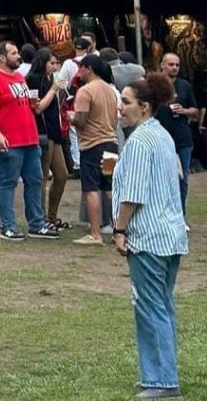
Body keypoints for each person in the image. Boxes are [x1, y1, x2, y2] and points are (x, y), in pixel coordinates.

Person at [113, 75, 188, 399]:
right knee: (162, 305)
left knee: (150, 307)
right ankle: (160, 374)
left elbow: (133, 194)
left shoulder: (140, 141)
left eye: (126, 102)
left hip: (149, 236)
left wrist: (119, 229)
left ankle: (162, 380)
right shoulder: (162, 135)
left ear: (144, 107)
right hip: (171, 234)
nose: (120, 107)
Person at [0, 42, 59, 242]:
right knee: (8, 182)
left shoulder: (19, 77)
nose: (18, 56)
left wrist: (33, 104)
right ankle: (8, 226)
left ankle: (36, 224)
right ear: (2, 58)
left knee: (35, 180)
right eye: (13, 53)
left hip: (29, 139)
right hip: (9, 141)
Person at [72, 54, 120, 245]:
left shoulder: (85, 91)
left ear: (88, 69)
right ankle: (118, 230)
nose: (79, 72)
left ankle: (95, 233)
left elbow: (81, 121)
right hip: (111, 143)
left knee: (91, 188)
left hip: (92, 145)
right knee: (109, 187)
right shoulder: (110, 90)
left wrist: (70, 118)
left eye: (81, 68)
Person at [26, 48, 69, 230]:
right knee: (42, 176)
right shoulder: (34, 79)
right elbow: (38, 108)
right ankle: (41, 217)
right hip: (42, 132)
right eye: (51, 63)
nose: (55, 67)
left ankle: (51, 215)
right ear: (42, 62)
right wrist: (53, 89)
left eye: (56, 63)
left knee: (62, 174)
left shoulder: (50, 78)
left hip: (54, 131)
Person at [156, 53, 197, 215]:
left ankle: (181, 215)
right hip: (160, 139)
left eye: (177, 65)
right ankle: (163, 214)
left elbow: (195, 111)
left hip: (182, 140)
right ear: (162, 65)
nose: (174, 68)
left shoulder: (184, 85)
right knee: (161, 178)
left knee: (182, 179)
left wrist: (184, 111)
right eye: (171, 64)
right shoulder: (154, 85)